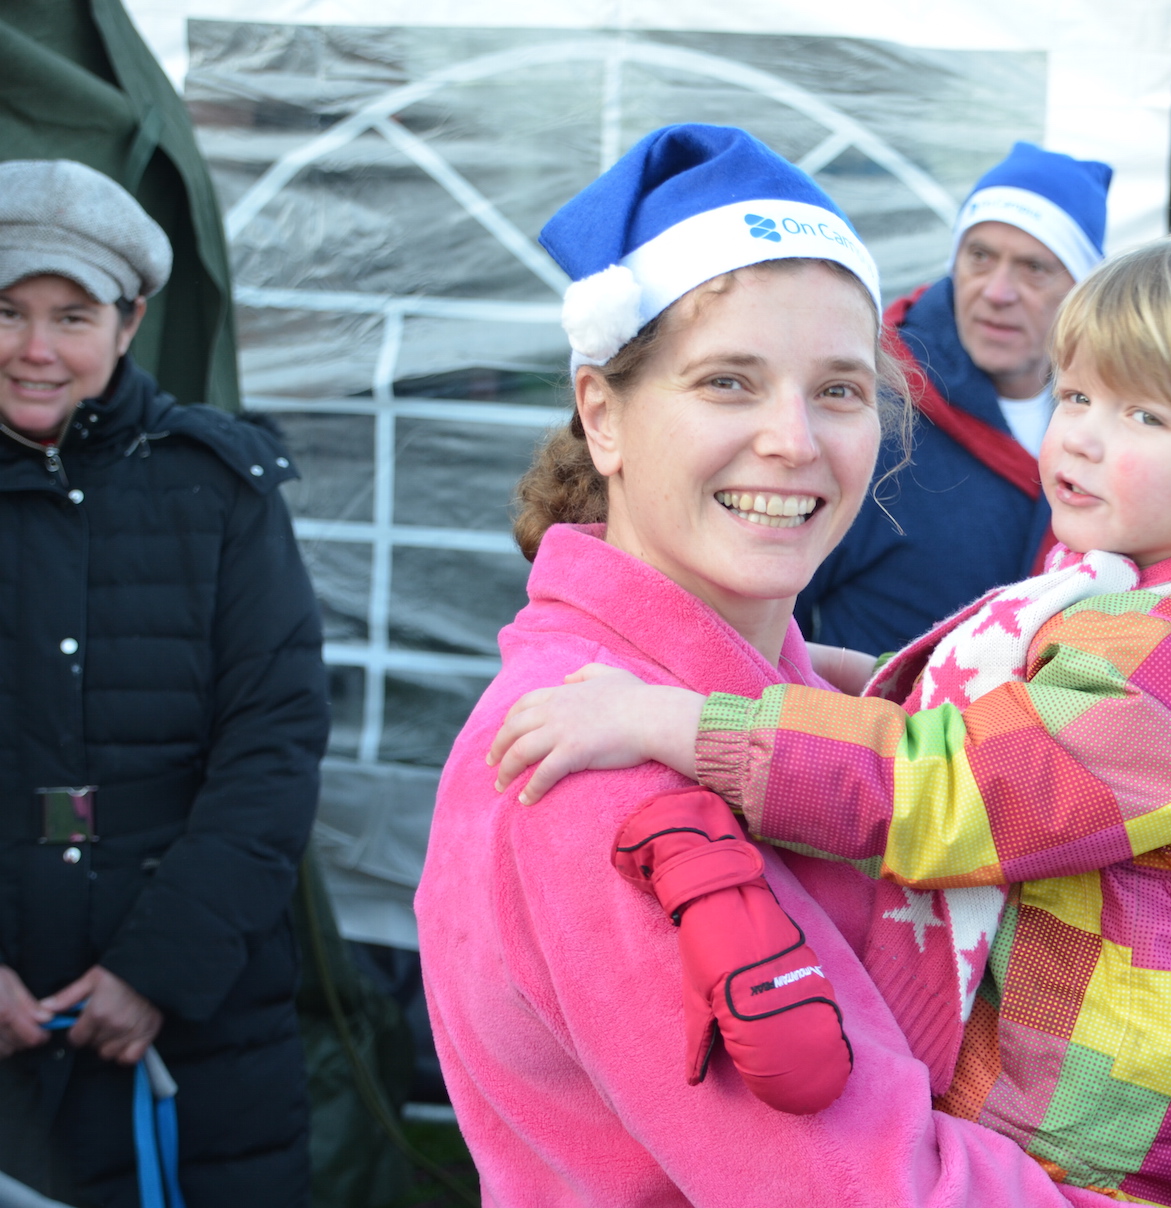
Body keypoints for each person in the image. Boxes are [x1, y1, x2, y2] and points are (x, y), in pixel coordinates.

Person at [488, 221, 1171, 1208]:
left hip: (1088, 1146)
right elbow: (1028, 735)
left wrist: (686, 724)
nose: (1079, 435)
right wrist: (859, 678)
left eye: (1142, 414)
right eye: (1074, 394)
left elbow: (954, 788)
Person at [413, 123, 1119, 1208]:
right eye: (728, 382)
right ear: (602, 415)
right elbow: (866, 1190)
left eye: (837, 390)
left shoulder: (788, 708)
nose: (793, 439)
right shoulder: (608, 775)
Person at [0, 160, 328, 1206]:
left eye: (72, 315)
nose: (35, 349)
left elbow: (272, 746)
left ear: (130, 320)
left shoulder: (221, 490)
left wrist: (160, 968)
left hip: (202, 1021)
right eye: (6, 311)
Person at [794, 143, 1111, 654]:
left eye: (1034, 268)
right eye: (979, 257)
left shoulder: (1110, 424)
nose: (997, 292)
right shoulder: (877, 408)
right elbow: (774, 615)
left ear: (1082, 291)